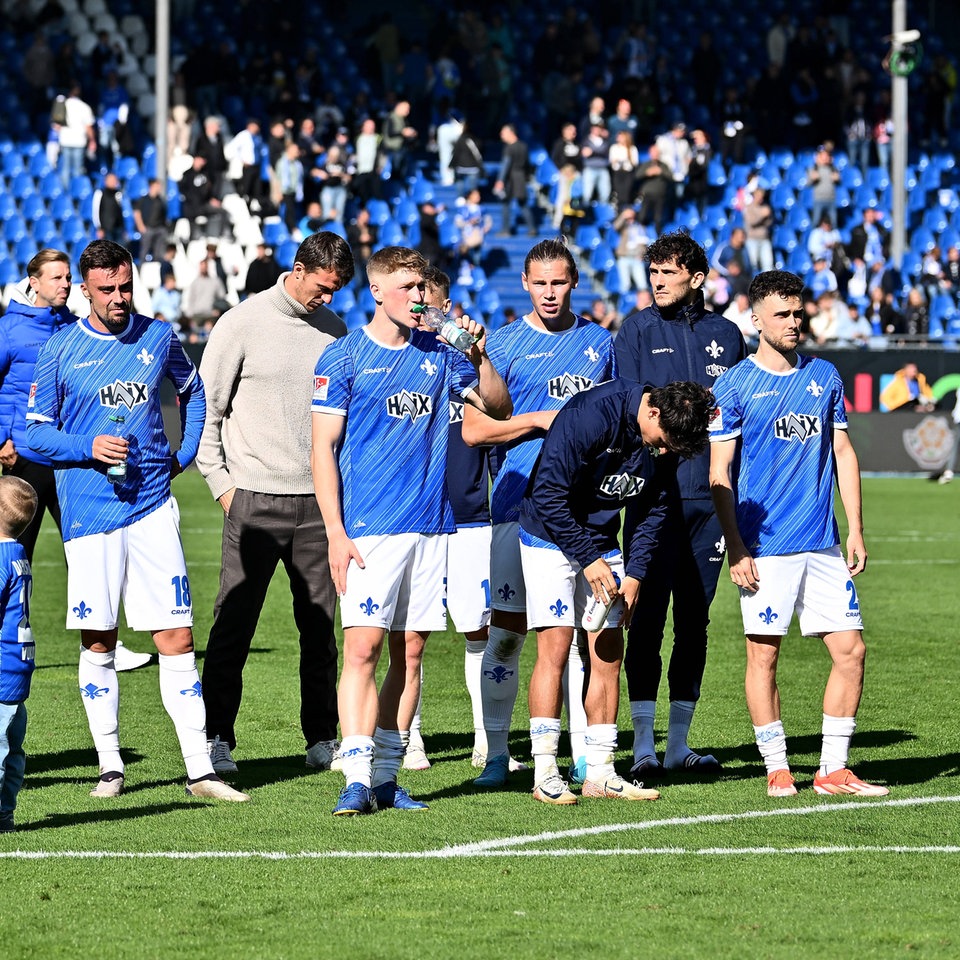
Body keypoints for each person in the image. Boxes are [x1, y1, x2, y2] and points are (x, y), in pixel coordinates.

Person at [26, 240, 247, 801]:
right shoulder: (59, 349)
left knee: (176, 635)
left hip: (151, 507)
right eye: (108, 289)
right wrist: (86, 445)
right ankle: (109, 764)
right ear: (85, 290)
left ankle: (201, 770)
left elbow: (194, 394)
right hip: (90, 517)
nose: (120, 298)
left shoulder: (158, 336)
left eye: (126, 286)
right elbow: (32, 432)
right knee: (99, 641)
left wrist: (186, 451)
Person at [311, 246, 511, 816]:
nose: (420, 297)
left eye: (424, 287)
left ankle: (386, 777)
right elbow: (322, 448)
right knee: (363, 649)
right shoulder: (344, 357)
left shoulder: (440, 354)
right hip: (369, 528)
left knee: (412, 653)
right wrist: (335, 531)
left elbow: (495, 406)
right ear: (377, 292)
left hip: (431, 527)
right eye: (408, 288)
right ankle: (353, 773)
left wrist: (478, 349)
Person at [709, 269, 888, 798]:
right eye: (782, 315)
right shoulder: (736, 384)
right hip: (764, 549)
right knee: (764, 655)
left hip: (823, 543)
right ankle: (777, 765)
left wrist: (855, 527)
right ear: (756, 319)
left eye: (798, 313)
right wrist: (735, 544)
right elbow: (719, 473)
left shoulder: (825, 376)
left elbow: (843, 452)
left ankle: (833, 768)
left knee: (850, 651)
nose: (794, 322)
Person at [196, 232, 354, 777]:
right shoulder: (240, 323)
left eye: (335, 291)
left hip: (318, 506)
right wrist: (224, 487)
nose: (326, 300)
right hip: (253, 500)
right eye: (323, 288)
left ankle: (322, 738)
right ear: (299, 268)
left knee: (320, 629)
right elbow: (207, 412)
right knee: (232, 626)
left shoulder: (336, 332)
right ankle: (216, 739)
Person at [463, 239, 618, 789]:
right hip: (513, 504)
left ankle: (583, 757)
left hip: (580, 513)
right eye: (540, 283)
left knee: (582, 636)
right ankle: (497, 755)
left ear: (574, 283)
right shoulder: (500, 345)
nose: (550, 293)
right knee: (506, 633)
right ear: (525, 285)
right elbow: (475, 429)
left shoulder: (601, 344)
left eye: (560, 282)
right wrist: (537, 421)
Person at [518, 379, 714, 804]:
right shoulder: (591, 415)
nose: (665, 453)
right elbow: (548, 494)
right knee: (555, 647)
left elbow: (655, 507)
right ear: (652, 413)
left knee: (608, 652)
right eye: (663, 443)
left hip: (601, 541)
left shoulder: (667, 437)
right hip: (547, 536)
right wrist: (589, 559)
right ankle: (546, 770)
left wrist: (636, 573)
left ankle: (602, 771)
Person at [614, 231, 747, 777]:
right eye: (654, 273)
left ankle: (678, 746)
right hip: (654, 500)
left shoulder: (729, 336)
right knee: (645, 619)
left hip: (711, 503)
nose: (659, 281)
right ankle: (643, 745)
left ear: (697, 277)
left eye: (669, 272)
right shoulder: (637, 330)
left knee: (695, 623)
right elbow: (629, 414)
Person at [1, 250, 153, 671]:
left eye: (68, 278)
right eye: (56, 278)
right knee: (14, 557)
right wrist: (1, 441)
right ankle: (8, 640)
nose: (65, 285)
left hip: (72, 461)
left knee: (89, 553)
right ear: (33, 282)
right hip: (25, 460)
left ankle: (106, 642)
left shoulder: (73, 327)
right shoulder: (9, 330)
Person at [402, 265, 500, 771]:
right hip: (409, 518)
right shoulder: (388, 361)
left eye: (432, 305)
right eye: (415, 302)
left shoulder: (465, 365)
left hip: (468, 520)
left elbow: (500, 415)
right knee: (408, 634)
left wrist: (475, 353)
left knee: (477, 631)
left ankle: (486, 738)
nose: (423, 312)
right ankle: (409, 737)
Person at [0, 476, 39, 833]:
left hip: (0, 669)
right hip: (17, 669)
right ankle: (5, 814)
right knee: (12, 751)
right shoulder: (18, 554)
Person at [494, 124, 535, 236]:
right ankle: (532, 228)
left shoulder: (509, 148)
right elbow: (528, 164)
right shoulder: (524, 146)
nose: (501, 135)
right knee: (523, 203)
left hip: (510, 178)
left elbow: (505, 165)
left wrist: (500, 180)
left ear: (511, 133)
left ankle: (505, 230)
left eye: (503, 133)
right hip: (520, 177)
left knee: (506, 203)